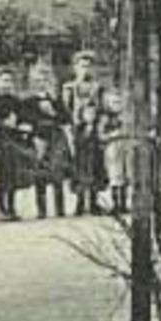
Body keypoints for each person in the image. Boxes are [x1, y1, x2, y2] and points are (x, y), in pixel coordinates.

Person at [23, 66, 73, 219]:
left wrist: (52, 112)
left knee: (57, 172)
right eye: (38, 80)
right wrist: (33, 129)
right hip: (39, 138)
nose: (41, 83)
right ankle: (41, 210)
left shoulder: (56, 100)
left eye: (45, 80)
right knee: (40, 174)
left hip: (55, 137)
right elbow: (25, 120)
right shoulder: (28, 101)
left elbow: (66, 119)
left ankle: (60, 209)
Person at [0, 68, 33, 222]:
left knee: (13, 175)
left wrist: (22, 125)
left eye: (10, 81)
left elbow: (24, 118)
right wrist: (3, 124)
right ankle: (1, 208)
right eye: (4, 81)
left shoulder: (16, 102)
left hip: (13, 141)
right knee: (0, 175)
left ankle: (11, 207)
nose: (7, 84)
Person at [62, 51, 107, 216]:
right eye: (82, 66)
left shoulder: (97, 87)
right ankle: (80, 203)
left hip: (94, 131)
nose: (85, 69)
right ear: (75, 68)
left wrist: (97, 125)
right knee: (78, 165)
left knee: (95, 164)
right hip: (77, 130)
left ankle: (94, 202)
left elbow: (102, 109)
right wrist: (74, 124)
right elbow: (66, 110)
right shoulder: (69, 87)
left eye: (88, 66)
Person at [98, 87, 132, 212]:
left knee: (125, 175)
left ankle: (123, 203)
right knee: (114, 175)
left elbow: (130, 130)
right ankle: (115, 203)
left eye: (119, 102)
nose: (117, 105)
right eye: (114, 102)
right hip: (112, 148)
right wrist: (112, 135)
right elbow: (100, 135)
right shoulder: (105, 119)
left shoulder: (126, 117)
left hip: (125, 147)